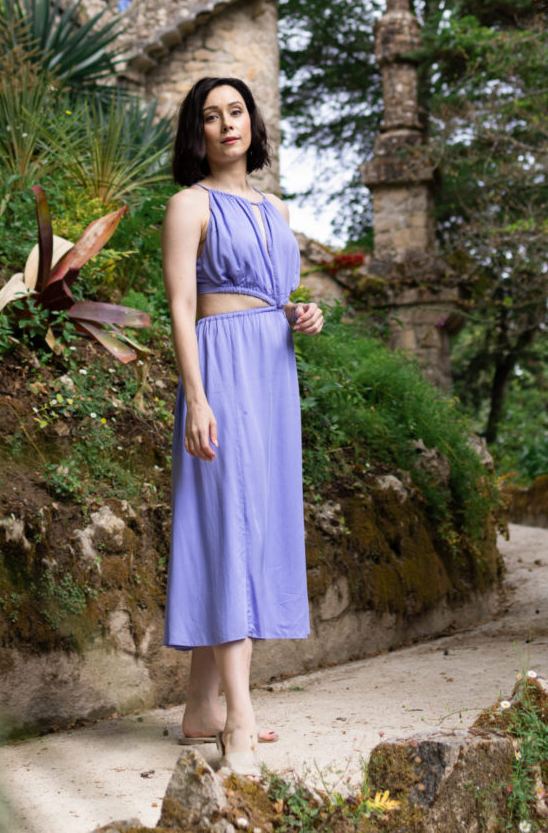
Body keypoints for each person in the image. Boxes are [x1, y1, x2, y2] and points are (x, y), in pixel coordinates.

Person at [161, 77, 324, 776]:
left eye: (236, 112)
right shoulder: (188, 205)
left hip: (274, 373)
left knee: (253, 530)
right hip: (222, 371)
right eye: (211, 116)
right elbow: (179, 304)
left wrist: (303, 314)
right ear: (197, 133)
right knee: (229, 528)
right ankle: (240, 722)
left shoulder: (277, 208)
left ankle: (202, 711)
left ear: (253, 124)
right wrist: (197, 398)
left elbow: (277, 295)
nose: (227, 125)